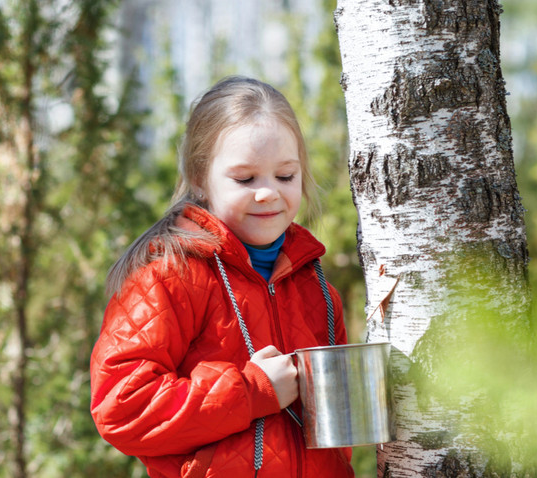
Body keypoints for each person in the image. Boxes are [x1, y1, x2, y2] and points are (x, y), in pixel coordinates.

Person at [90, 76, 354, 478]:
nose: (267, 193)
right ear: (200, 177)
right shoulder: (170, 275)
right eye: (245, 179)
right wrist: (252, 391)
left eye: (285, 176)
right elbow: (122, 407)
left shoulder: (316, 288)